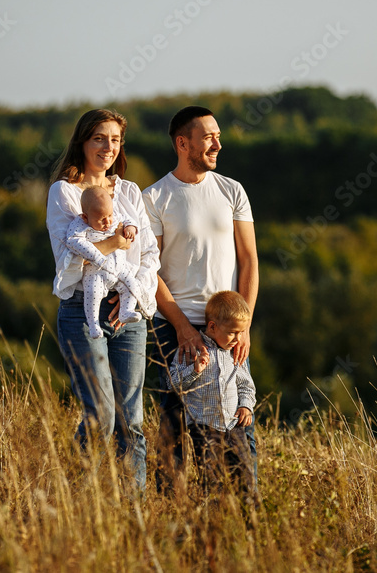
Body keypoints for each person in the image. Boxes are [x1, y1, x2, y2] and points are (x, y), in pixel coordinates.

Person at [142, 105, 259, 491]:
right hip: (173, 328)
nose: (218, 144)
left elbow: (249, 261)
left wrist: (243, 327)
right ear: (182, 143)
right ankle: (171, 518)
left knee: (235, 427)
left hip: (225, 326)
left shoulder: (232, 190)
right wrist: (182, 329)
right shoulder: (154, 197)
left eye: (218, 136)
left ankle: (240, 515)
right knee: (172, 427)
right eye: (209, 136)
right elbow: (150, 270)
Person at [46, 108, 160, 492]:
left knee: (132, 421)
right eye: (99, 138)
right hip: (83, 309)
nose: (108, 147)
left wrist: (132, 293)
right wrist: (112, 244)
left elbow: (149, 256)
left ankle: (132, 516)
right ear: (82, 142)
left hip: (127, 313)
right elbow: (69, 262)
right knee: (101, 416)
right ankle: (84, 508)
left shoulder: (128, 192)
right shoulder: (64, 192)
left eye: (115, 140)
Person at [169, 290, 256, 494]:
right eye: (233, 332)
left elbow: (246, 385)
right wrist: (194, 370)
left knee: (244, 477)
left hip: (233, 427)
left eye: (241, 332)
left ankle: (249, 521)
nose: (237, 338)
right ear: (212, 326)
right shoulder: (193, 349)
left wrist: (246, 406)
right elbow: (173, 383)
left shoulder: (235, 353)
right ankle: (215, 519)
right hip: (204, 428)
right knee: (211, 480)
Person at [66, 186, 154, 339]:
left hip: (120, 269)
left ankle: (126, 311)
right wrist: (97, 255)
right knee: (93, 294)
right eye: (101, 219)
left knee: (132, 285)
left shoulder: (114, 216)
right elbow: (73, 241)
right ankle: (93, 325)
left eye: (110, 215)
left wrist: (131, 227)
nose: (108, 222)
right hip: (97, 272)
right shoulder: (80, 225)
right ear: (85, 217)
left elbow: (127, 219)